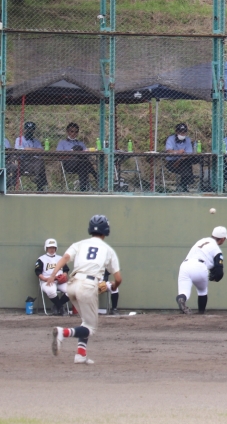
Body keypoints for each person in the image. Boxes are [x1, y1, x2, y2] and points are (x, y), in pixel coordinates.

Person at [48, 215, 122, 365]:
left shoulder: (80, 244)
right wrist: (114, 286)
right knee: (91, 328)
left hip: (72, 284)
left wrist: (53, 274)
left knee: (85, 322)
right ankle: (63, 332)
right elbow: (118, 278)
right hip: (88, 285)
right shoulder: (108, 250)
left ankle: (80, 355)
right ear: (106, 230)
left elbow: (65, 258)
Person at [176, 226, 227, 315]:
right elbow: (219, 272)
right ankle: (200, 313)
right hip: (199, 266)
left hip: (185, 265)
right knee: (202, 291)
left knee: (184, 292)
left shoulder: (202, 241)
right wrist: (216, 278)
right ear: (222, 239)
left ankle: (181, 299)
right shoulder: (217, 249)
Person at [56, 122, 98, 191]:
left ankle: (83, 188)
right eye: (71, 131)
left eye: (76, 132)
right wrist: (72, 153)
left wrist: (86, 151)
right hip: (69, 163)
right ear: (67, 132)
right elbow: (59, 156)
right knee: (78, 149)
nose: (73, 134)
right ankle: (96, 176)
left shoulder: (80, 143)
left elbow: (86, 154)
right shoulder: (62, 143)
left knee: (82, 164)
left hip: (81, 164)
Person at [35, 238, 71, 316]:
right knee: (51, 291)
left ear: (56, 248)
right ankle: (61, 308)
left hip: (60, 281)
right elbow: (38, 272)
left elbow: (66, 270)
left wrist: (64, 276)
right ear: (46, 248)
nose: (52, 249)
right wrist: (45, 279)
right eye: (50, 247)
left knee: (72, 291)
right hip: (47, 280)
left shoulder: (60, 258)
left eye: (53, 247)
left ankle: (57, 306)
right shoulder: (41, 259)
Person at [165, 123, 199, 192]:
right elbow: (169, 151)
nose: (183, 134)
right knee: (186, 165)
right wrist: (177, 152)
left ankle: (183, 186)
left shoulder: (187, 139)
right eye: (181, 132)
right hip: (172, 162)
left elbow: (188, 153)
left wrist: (182, 158)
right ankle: (184, 185)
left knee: (189, 161)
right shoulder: (171, 139)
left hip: (183, 161)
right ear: (176, 132)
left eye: (184, 132)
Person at [14, 121, 47, 191]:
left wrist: (29, 149)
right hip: (23, 162)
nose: (29, 131)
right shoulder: (19, 139)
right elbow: (21, 150)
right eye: (28, 129)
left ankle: (38, 181)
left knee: (40, 161)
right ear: (24, 130)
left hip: (35, 162)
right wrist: (34, 150)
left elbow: (41, 150)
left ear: (34, 130)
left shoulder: (36, 141)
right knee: (39, 163)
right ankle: (39, 182)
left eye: (31, 130)